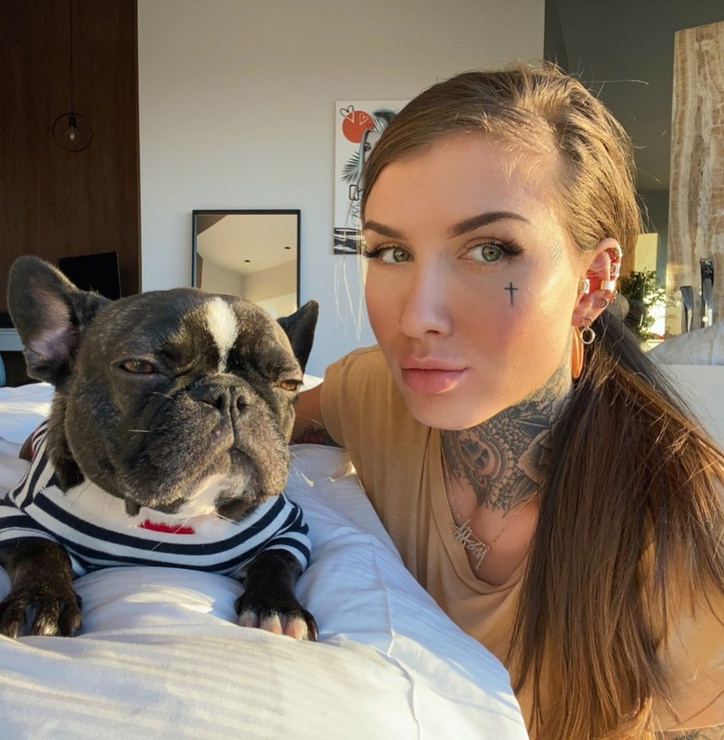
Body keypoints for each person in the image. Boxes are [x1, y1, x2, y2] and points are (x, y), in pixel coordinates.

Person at [293, 63, 724, 738]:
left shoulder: (685, 533)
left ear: (592, 282)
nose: (417, 318)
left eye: (490, 250)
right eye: (391, 252)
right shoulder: (371, 392)